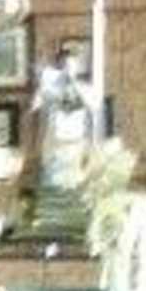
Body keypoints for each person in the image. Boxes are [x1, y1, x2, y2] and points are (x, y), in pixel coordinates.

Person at [33, 42, 100, 192]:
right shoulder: (48, 87)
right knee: (52, 183)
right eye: (65, 63)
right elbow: (36, 108)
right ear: (60, 64)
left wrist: (74, 84)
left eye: (73, 64)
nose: (69, 68)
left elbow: (94, 110)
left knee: (75, 184)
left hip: (76, 143)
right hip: (54, 143)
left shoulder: (86, 89)